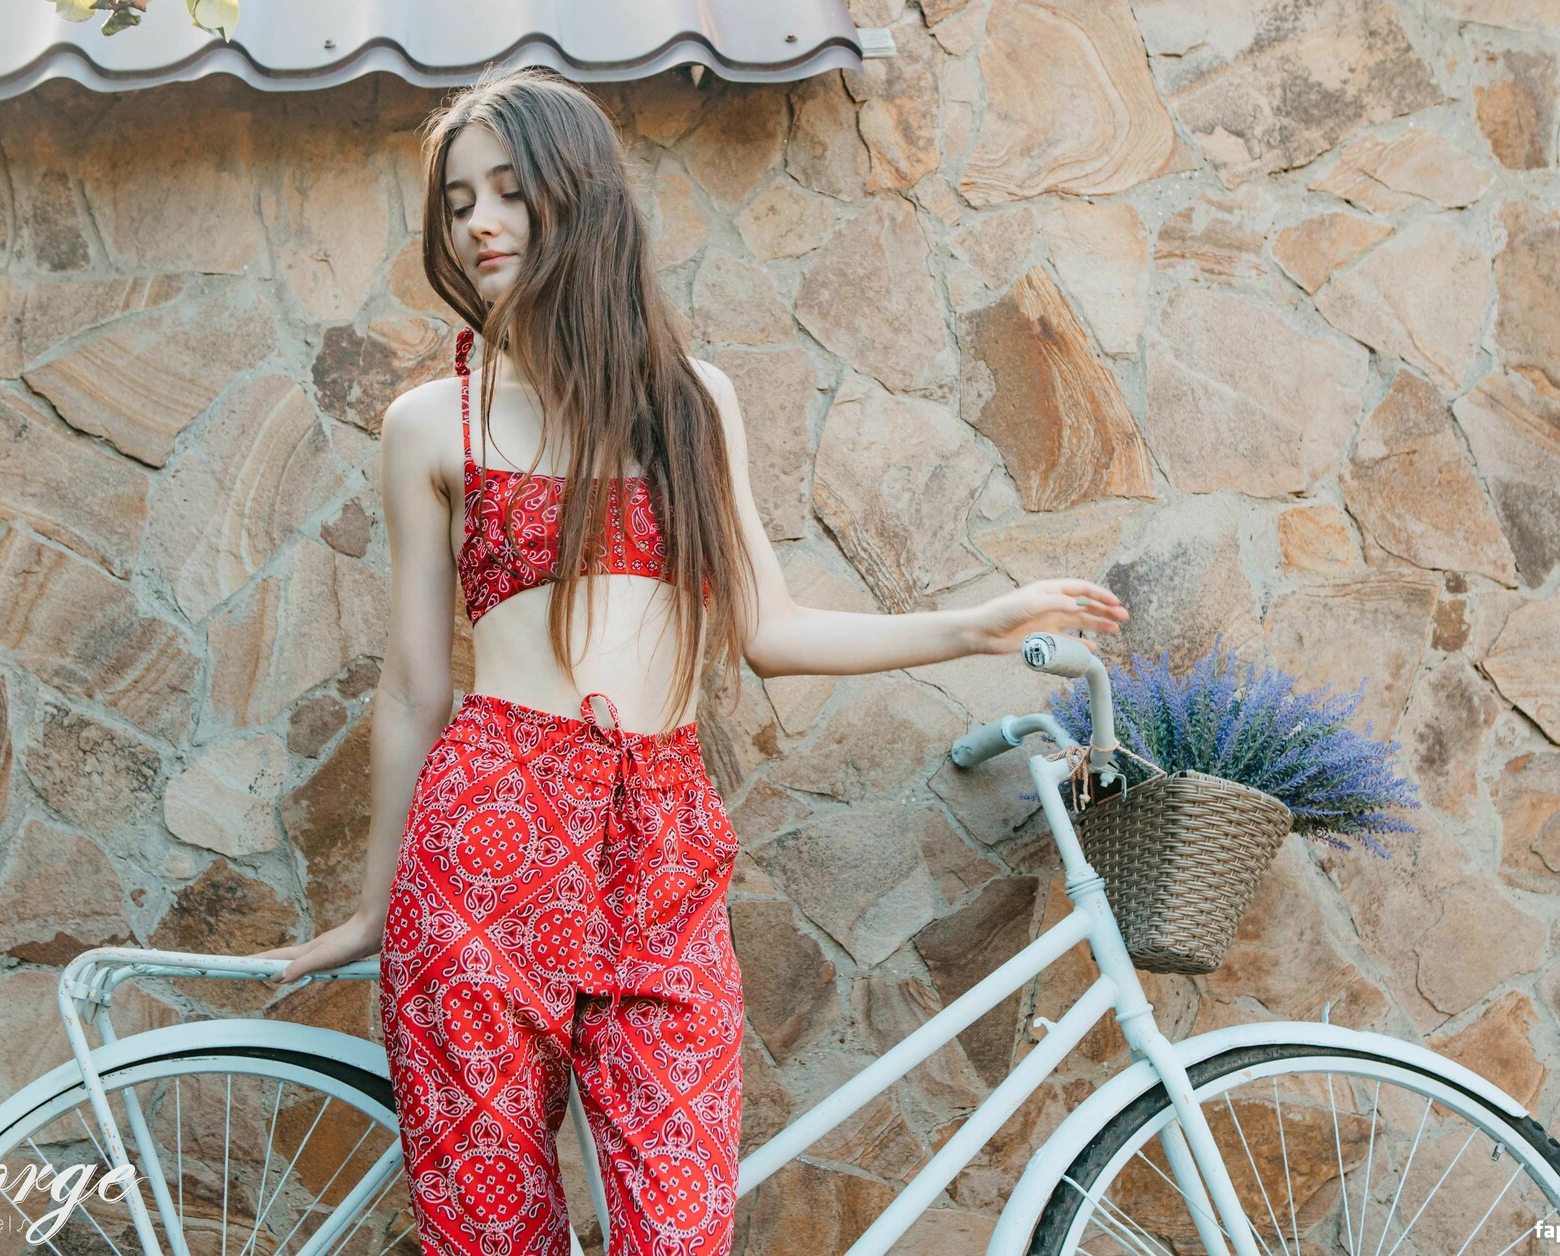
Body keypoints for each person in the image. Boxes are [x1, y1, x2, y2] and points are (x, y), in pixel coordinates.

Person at [252, 65, 1129, 1256]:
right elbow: (413, 687)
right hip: (490, 829)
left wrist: (974, 622)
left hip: (662, 835)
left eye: (508, 191)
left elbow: (771, 631)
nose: (480, 224)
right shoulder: (431, 423)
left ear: (580, 197)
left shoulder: (691, 405)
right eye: (458, 204)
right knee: (493, 1232)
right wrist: (373, 904)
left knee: (677, 1228)